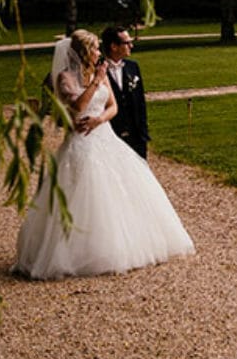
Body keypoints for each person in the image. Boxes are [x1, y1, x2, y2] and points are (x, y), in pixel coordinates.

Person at [15, 30, 194, 279]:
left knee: (122, 192)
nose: (99, 53)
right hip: (81, 142)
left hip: (105, 136)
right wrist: (97, 82)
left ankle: (127, 245)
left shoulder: (100, 72)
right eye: (96, 49)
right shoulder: (65, 77)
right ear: (84, 52)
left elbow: (113, 106)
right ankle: (78, 253)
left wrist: (99, 118)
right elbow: (77, 106)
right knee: (84, 194)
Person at [100, 24, 148, 158]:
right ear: (114, 46)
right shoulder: (97, 69)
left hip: (136, 134)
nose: (131, 46)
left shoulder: (133, 67)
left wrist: (143, 132)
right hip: (111, 133)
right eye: (127, 43)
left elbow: (140, 102)